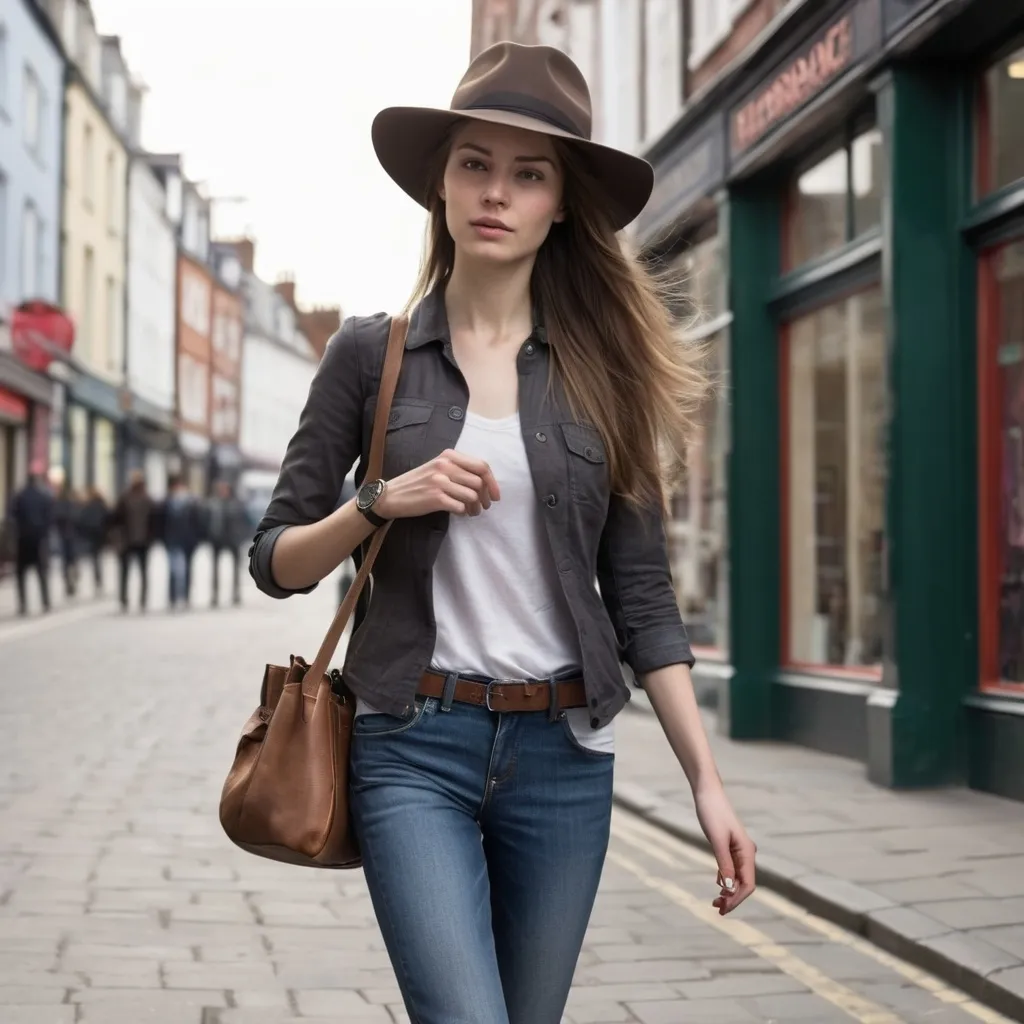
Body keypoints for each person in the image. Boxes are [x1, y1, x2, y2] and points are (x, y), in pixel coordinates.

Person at [248, 41, 756, 1024]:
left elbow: (643, 599)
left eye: (529, 174)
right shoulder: (368, 357)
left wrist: (708, 784)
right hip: (409, 746)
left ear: (561, 203)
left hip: (563, 759)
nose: (496, 192)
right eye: (475, 163)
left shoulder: (604, 372)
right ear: (439, 182)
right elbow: (272, 560)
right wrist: (374, 503)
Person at [10, 464, 54, 615]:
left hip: (23, 539)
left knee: (21, 574)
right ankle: (46, 601)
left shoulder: (20, 496)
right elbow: (50, 517)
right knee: (41, 573)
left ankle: (23, 604)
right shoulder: (44, 496)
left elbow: (12, 515)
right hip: (39, 539)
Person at [111, 470, 156, 612]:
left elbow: (153, 521)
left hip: (139, 541)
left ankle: (138, 599)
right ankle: (127, 599)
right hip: (131, 541)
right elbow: (116, 520)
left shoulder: (141, 499)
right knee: (129, 572)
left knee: (137, 572)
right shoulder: (129, 498)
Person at [205, 479, 249, 607]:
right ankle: (215, 595)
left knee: (235, 569)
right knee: (215, 569)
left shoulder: (237, 504)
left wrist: (241, 537)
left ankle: (236, 594)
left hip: (233, 540)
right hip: (217, 539)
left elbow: (245, 522)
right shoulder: (213, 504)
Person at [162, 475, 203, 610]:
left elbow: (197, 523)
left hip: (188, 542)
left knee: (187, 570)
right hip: (172, 541)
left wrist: (197, 540)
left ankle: (185, 597)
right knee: (173, 571)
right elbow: (161, 523)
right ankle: (173, 598)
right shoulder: (167, 503)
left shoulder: (192, 504)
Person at [79, 486, 110, 593]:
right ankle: (98, 578)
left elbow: (82, 520)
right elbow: (108, 518)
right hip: (100, 535)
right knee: (98, 557)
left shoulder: (88, 506)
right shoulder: (102, 505)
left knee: (95, 558)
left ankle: (97, 578)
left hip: (91, 535)